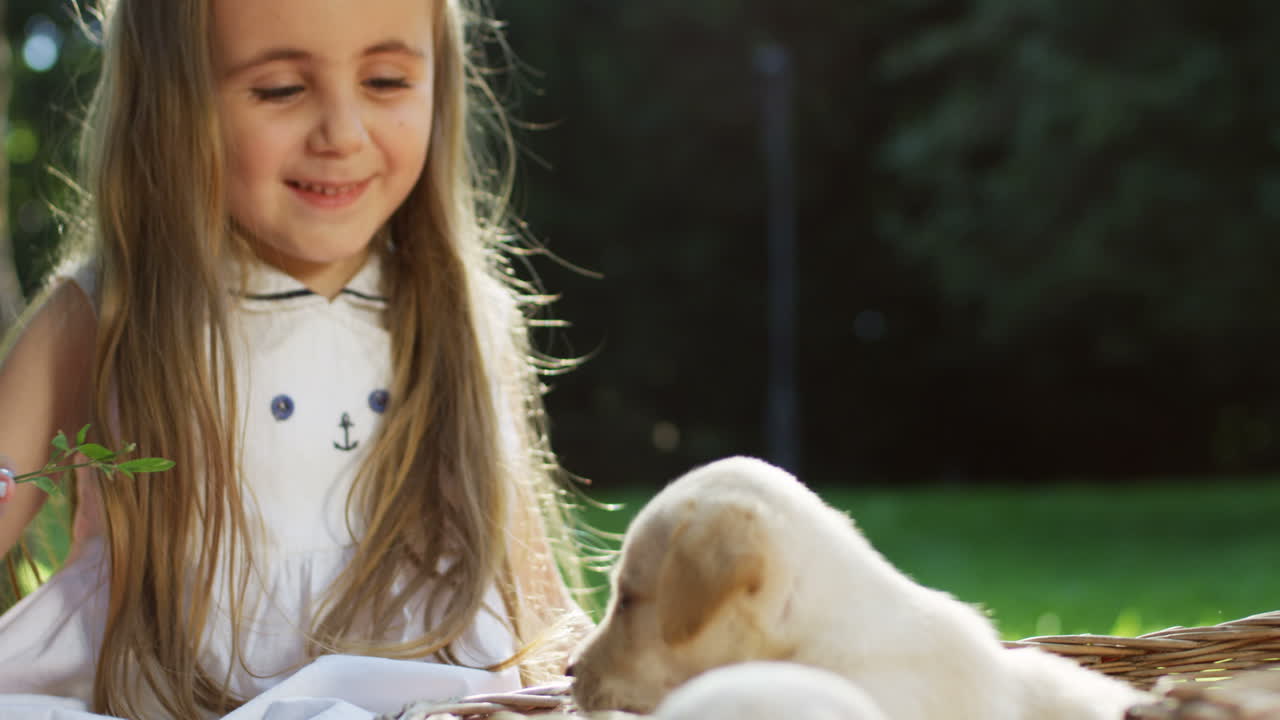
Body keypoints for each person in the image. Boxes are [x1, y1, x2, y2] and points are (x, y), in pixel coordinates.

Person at [0, 0, 591, 717]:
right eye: (281, 89)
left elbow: (534, 597)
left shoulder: (466, 321)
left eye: (385, 81)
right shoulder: (106, 318)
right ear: (170, 102)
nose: (342, 133)